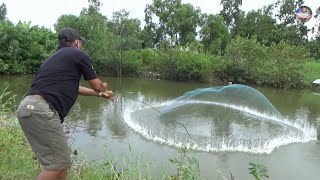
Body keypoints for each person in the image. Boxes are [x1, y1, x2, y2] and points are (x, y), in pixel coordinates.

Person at [16, 27, 114, 180]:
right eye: (81, 43)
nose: (82, 46)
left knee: (60, 163)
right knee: (57, 165)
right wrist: (103, 87)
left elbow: (76, 88)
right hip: (41, 109)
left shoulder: (54, 58)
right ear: (76, 43)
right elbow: (97, 84)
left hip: (27, 109)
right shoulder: (78, 54)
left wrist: (100, 95)